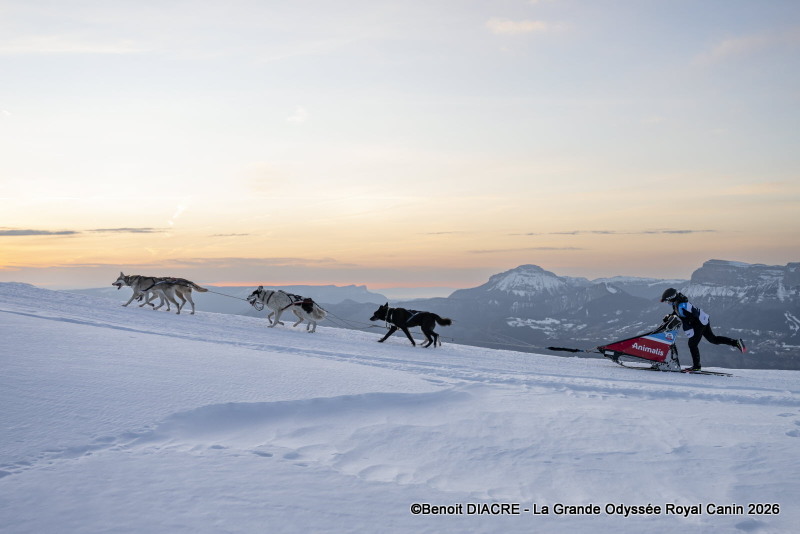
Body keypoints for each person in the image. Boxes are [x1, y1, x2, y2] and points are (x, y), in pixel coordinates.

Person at [660, 288, 746, 372]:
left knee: (692, 344)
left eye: (668, 301)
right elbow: (678, 313)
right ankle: (736, 342)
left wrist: (681, 320)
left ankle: (697, 367)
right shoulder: (677, 303)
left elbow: (692, 316)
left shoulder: (682, 305)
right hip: (703, 319)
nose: (668, 303)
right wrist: (670, 316)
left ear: (672, 298)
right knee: (713, 339)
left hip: (699, 322)